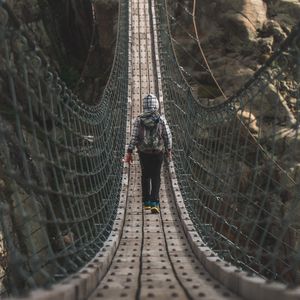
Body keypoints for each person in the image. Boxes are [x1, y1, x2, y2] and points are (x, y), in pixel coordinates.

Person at [124, 94, 172, 214]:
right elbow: (167, 136)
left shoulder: (139, 120)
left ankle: (146, 203)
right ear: (156, 105)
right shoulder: (161, 119)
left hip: (144, 152)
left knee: (145, 175)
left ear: (144, 105)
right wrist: (169, 150)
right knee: (156, 176)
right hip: (158, 151)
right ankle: (155, 203)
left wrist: (129, 151)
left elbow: (134, 137)